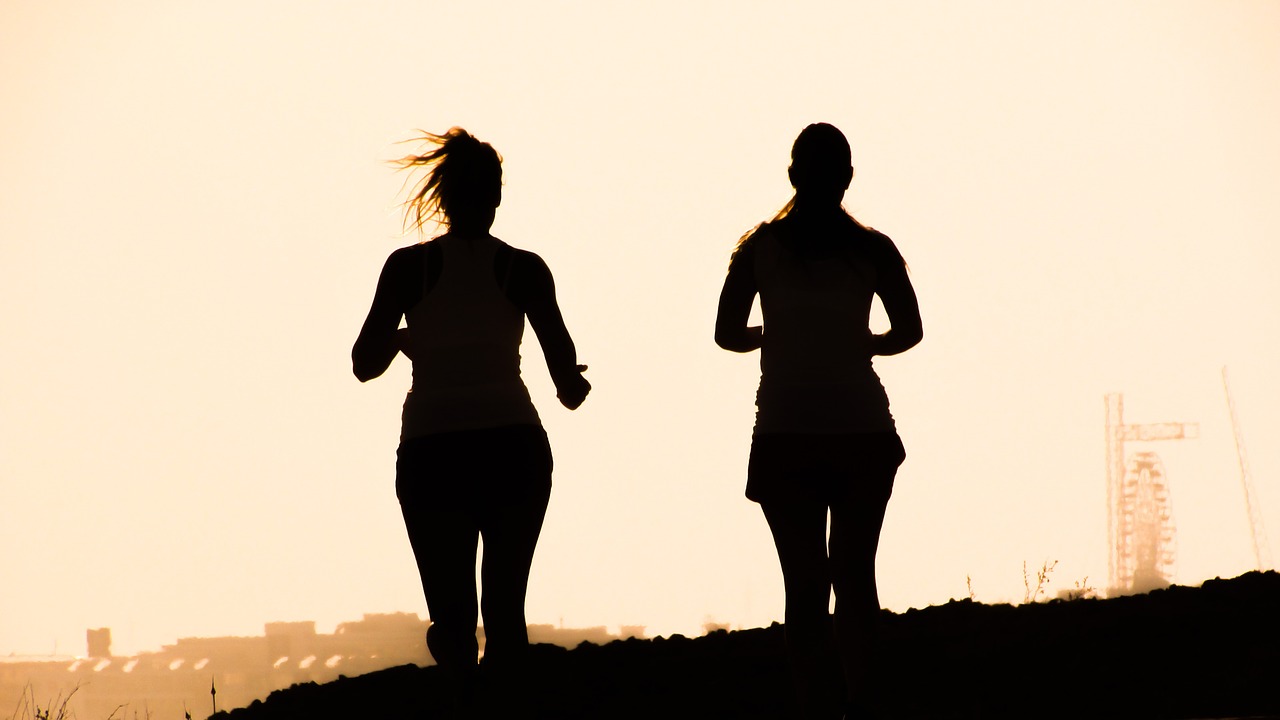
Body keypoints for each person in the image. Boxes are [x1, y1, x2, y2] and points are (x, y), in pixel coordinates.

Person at [351, 127, 590, 711]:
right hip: (513, 448)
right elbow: (568, 388)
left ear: (444, 198)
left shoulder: (408, 269)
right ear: (498, 197)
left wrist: (410, 337)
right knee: (506, 612)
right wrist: (575, 380)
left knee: (452, 618)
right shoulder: (524, 269)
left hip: (433, 453)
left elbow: (364, 364)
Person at [715, 123, 922, 720]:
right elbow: (909, 330)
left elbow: (727, 333)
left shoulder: (758, 248)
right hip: (862, 430)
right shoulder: (874, 249)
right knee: (856, 576)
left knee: (804, 585)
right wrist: (866, 345)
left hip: (785, 434)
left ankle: (814, 708)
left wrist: (774, 334)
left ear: (791, 175)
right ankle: (863, 703)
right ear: (848, 178)